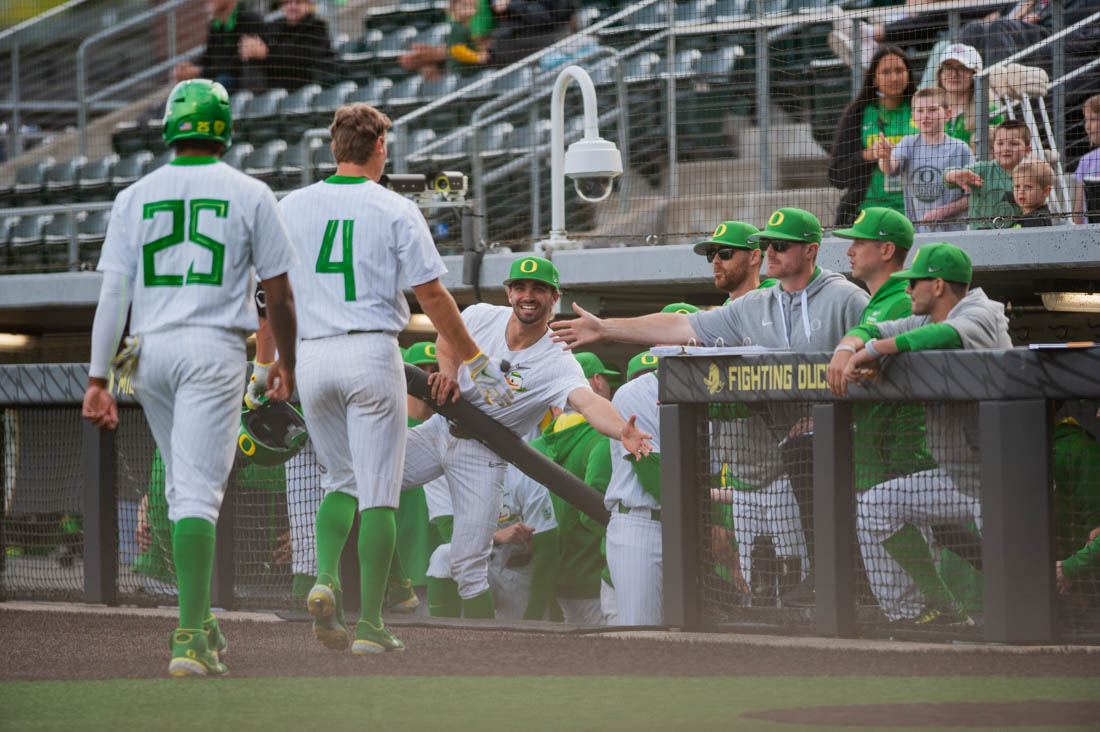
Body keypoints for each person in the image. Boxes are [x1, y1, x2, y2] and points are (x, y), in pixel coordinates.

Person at [277, 102, 513, 654]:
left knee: (339, 483)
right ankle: (371, 625)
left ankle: (326, 577)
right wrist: (474, 357)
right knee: (378, 493)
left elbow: (272, 296)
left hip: (311, 356)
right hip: (369, 353)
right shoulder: (395, 207)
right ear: (380, 147)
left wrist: (273, 364)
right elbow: (432, 296)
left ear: (334, 147)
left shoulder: (290, 206)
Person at [82, 79, 299, 677]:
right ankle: (187, 638)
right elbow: (278, 297)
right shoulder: (251, 191)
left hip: (146, 353)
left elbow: (114, 294)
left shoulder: (134, 194)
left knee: (183, 486)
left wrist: (98, 378)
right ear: (224, 128)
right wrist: (287, 363)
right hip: (213, 349)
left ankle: (201, 619)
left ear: (171, 127)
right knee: (201, 490)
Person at [401, 255, 652, 620]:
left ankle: (480, 658)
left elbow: (587, 403)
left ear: (555, 298)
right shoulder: (481, 315)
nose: (527, 295)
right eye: (520, 287)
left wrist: (621, 430)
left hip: (483, 455)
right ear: (509, 293)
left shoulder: (558, 358)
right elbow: (445, 341)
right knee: (368, 481)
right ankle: (392, 583)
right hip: (439, 430)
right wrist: (449, 374)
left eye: (538, 289)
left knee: (468, 566)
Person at [830, 242, 1012, 623]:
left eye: (914, 283)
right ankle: (937, 605)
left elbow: (945, 337)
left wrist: (879, 350)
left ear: (939, 285)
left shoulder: (983, 312)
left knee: (1018, 597)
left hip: (1006, 482)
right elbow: (870, 327)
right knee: (876, 505)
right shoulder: (923, 318)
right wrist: (847, 350)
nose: (907, 290)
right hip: (961, 478)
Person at [426, 464, 559, 620]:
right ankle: (445, 636)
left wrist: (533, 619)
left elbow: (547, 550)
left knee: (521, 641)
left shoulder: (522, 472)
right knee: (444, 554)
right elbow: (451, 534)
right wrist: (495, 537)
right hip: (481, 565)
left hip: (520, 571)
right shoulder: (442, 472)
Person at [602, 349, 663, 625]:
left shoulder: (704, 390)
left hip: (684, 525)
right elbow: (657, 480)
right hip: (641, 522)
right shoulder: (633, 395)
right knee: (643, 638)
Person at [827, 46, 919, 227]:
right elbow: (836, 176)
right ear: (874, 79)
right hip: (866, 215)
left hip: (917, 212)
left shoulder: (923, 108)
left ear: (908, 73)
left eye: (899, 70)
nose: (894, 78)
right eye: (886, 72)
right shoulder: (858, 113)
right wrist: (867, 155)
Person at [878, 87, 973, 233]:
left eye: (932, 110)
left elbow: (972, 197)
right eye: (920, 110)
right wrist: (885, 156)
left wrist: (942, 212)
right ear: (913, 116)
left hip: (955, 233)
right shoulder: (907, 143)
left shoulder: (961, 149)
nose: (925, 116)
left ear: (947, 114)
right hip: (917, 235)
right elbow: (890, 168)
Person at [944, 118, 1030, 229]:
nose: (1006, 148)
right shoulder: (983, 169)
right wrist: (952, 175)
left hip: (1013, 238)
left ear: (1027, 150)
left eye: (1014, 144)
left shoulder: (1030, 173)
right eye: (1000, 143)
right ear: (993, 147)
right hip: (979, 236)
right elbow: (946, 176)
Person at [173, 0, 268, 93]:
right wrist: (189, 66)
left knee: (221, 83)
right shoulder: (215, 25)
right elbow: (208, 57)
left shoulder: (248, 19)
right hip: (220, 78)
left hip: (243, 82)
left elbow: (237, 65)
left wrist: (200, 72)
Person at [399, 0, 493, 80]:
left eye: (472, 6)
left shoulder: (467, 26)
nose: (469, 9)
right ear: (453, 8)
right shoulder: (456, 28)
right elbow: (457, 50)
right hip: (461, 73)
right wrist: (477, 57)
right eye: (464, 6)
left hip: (468, 71)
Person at [691, 221, 776, 303]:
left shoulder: (776, 301)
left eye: (724, 252)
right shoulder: (725, 312)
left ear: (754, 257)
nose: (715, 261)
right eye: (711, 253)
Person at [262, 0, 336, 90]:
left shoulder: (317, 27)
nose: (292, 6)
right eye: (287, 3)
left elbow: (302, 57)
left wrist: (267, 53)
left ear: (308, 5)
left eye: (298, 2)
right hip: (272, 85)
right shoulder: (274, 26)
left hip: (305, 86)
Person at [1072, 95, 1100, 225]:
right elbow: (1079, 208)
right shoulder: (1086, 160)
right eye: (1086, 120)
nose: (1087, 127)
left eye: (1093, 119)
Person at [1010, 159, 1055, 227]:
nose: (1021, 191)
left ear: (1046, 191)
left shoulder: (1035, 219)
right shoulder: (1027, 215)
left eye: (1028, 187)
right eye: (1017, 186)